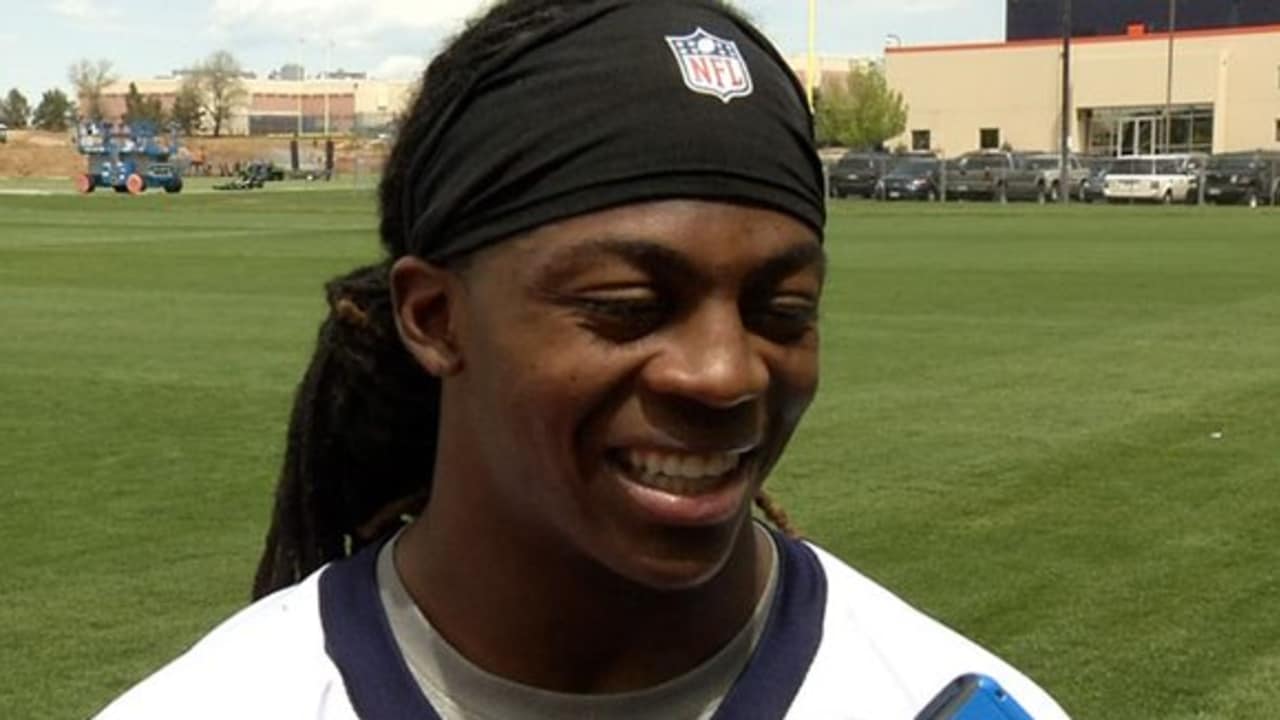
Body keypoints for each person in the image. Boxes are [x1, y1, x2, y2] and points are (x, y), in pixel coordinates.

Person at [95, 1, 1070, 718]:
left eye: (782, 311)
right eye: (625, 307)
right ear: (434, 317)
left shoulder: (934, 698)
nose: (726, 374)